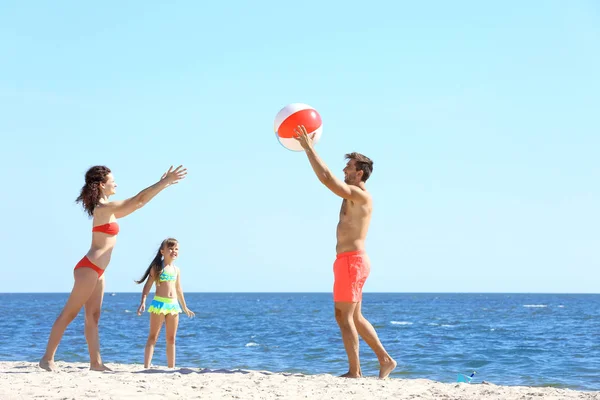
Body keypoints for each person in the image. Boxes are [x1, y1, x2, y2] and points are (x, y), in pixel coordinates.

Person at [39, 165, 188, 372]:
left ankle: (96, 363)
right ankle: (47, 359)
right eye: (112, 180)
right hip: (89, 268)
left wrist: (163, 184)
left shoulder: (107, 208)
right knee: (69, 313)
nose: (116, 183)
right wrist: (163, 183)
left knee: (93, 317)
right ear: (102, 184)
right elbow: (138, 201)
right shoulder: (102, 209)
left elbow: (138, 202)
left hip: (98, 271)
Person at [294, 125, 397, 379]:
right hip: (349, 261)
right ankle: (385, 361)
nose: (344, 170)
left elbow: (327, 179)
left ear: (359, 172)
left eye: (348, 167)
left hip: (352, 262)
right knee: (355, 317)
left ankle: (355, 372)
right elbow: (333, 179)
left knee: (343, 316)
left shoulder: (360, 195)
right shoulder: (354, 195)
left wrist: (309, 149)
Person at [136, 237, 194, 368]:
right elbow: (148, 285)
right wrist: (143, 301)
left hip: (173, 306)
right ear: (163, 251)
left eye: (176, 249)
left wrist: (184, 307)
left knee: (171, 339)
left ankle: (171, 367)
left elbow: (179, 289)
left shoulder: (176, 270)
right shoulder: (157, 267)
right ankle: (146, 366)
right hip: (159, 305)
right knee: (153, 337)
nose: (174, 251)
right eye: (171, 248)